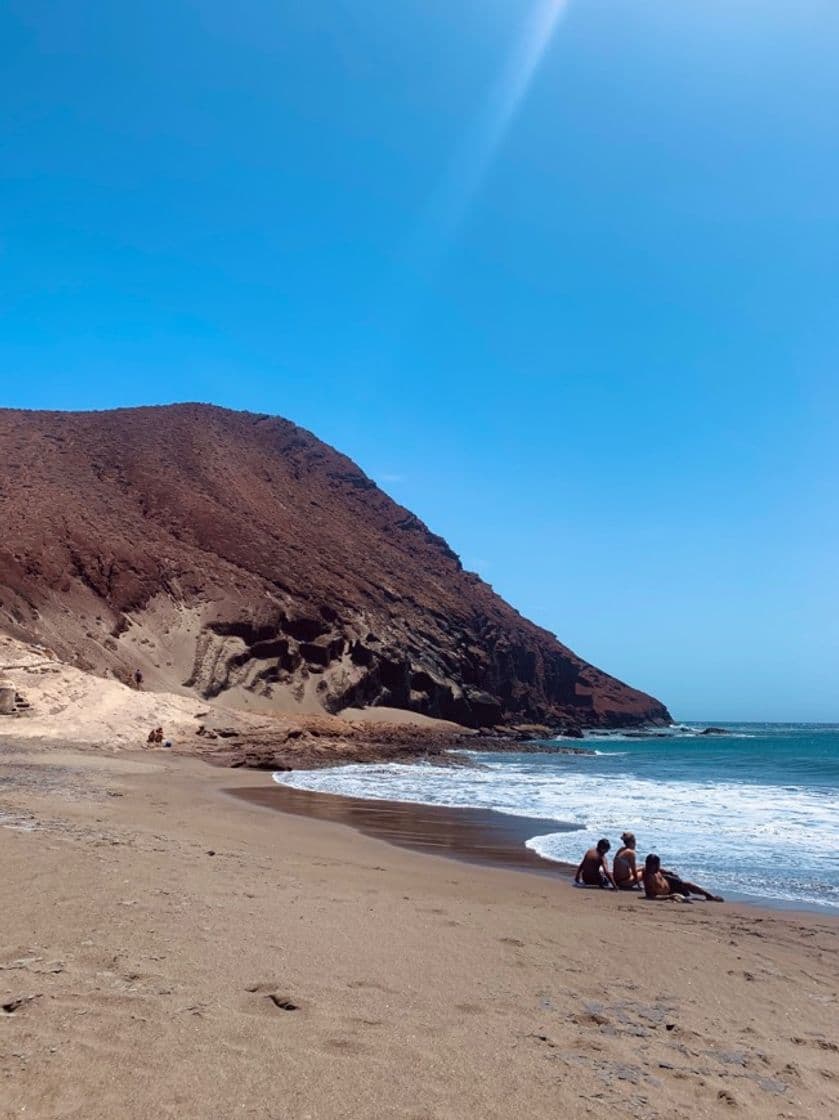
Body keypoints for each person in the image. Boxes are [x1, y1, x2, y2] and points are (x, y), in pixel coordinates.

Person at [643, 854, 723, 902]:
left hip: (668, 881)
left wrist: (670, 873)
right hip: (669, 891)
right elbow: (651, 896)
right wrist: (670, 896)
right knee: (686, 896)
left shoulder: (655, 871)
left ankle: (710, 896)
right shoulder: (648, 877)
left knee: (687, 884)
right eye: (657, 864)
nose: (658, 866)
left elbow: (660, 870)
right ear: (653, 865)